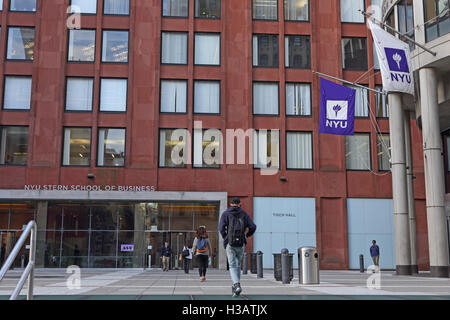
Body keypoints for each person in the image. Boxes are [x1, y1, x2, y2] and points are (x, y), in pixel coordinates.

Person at [219, 197, 256, 297]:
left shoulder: (226, 213)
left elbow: (221, 227)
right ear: (239, 204)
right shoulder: (244, 214)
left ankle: (236, 285)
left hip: (230, 243)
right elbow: (253, 226)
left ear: (231, 204)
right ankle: (236, 289)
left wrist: (225, 237)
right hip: (241, 243)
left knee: (232, 265)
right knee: (238, 265)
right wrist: (247, 235)